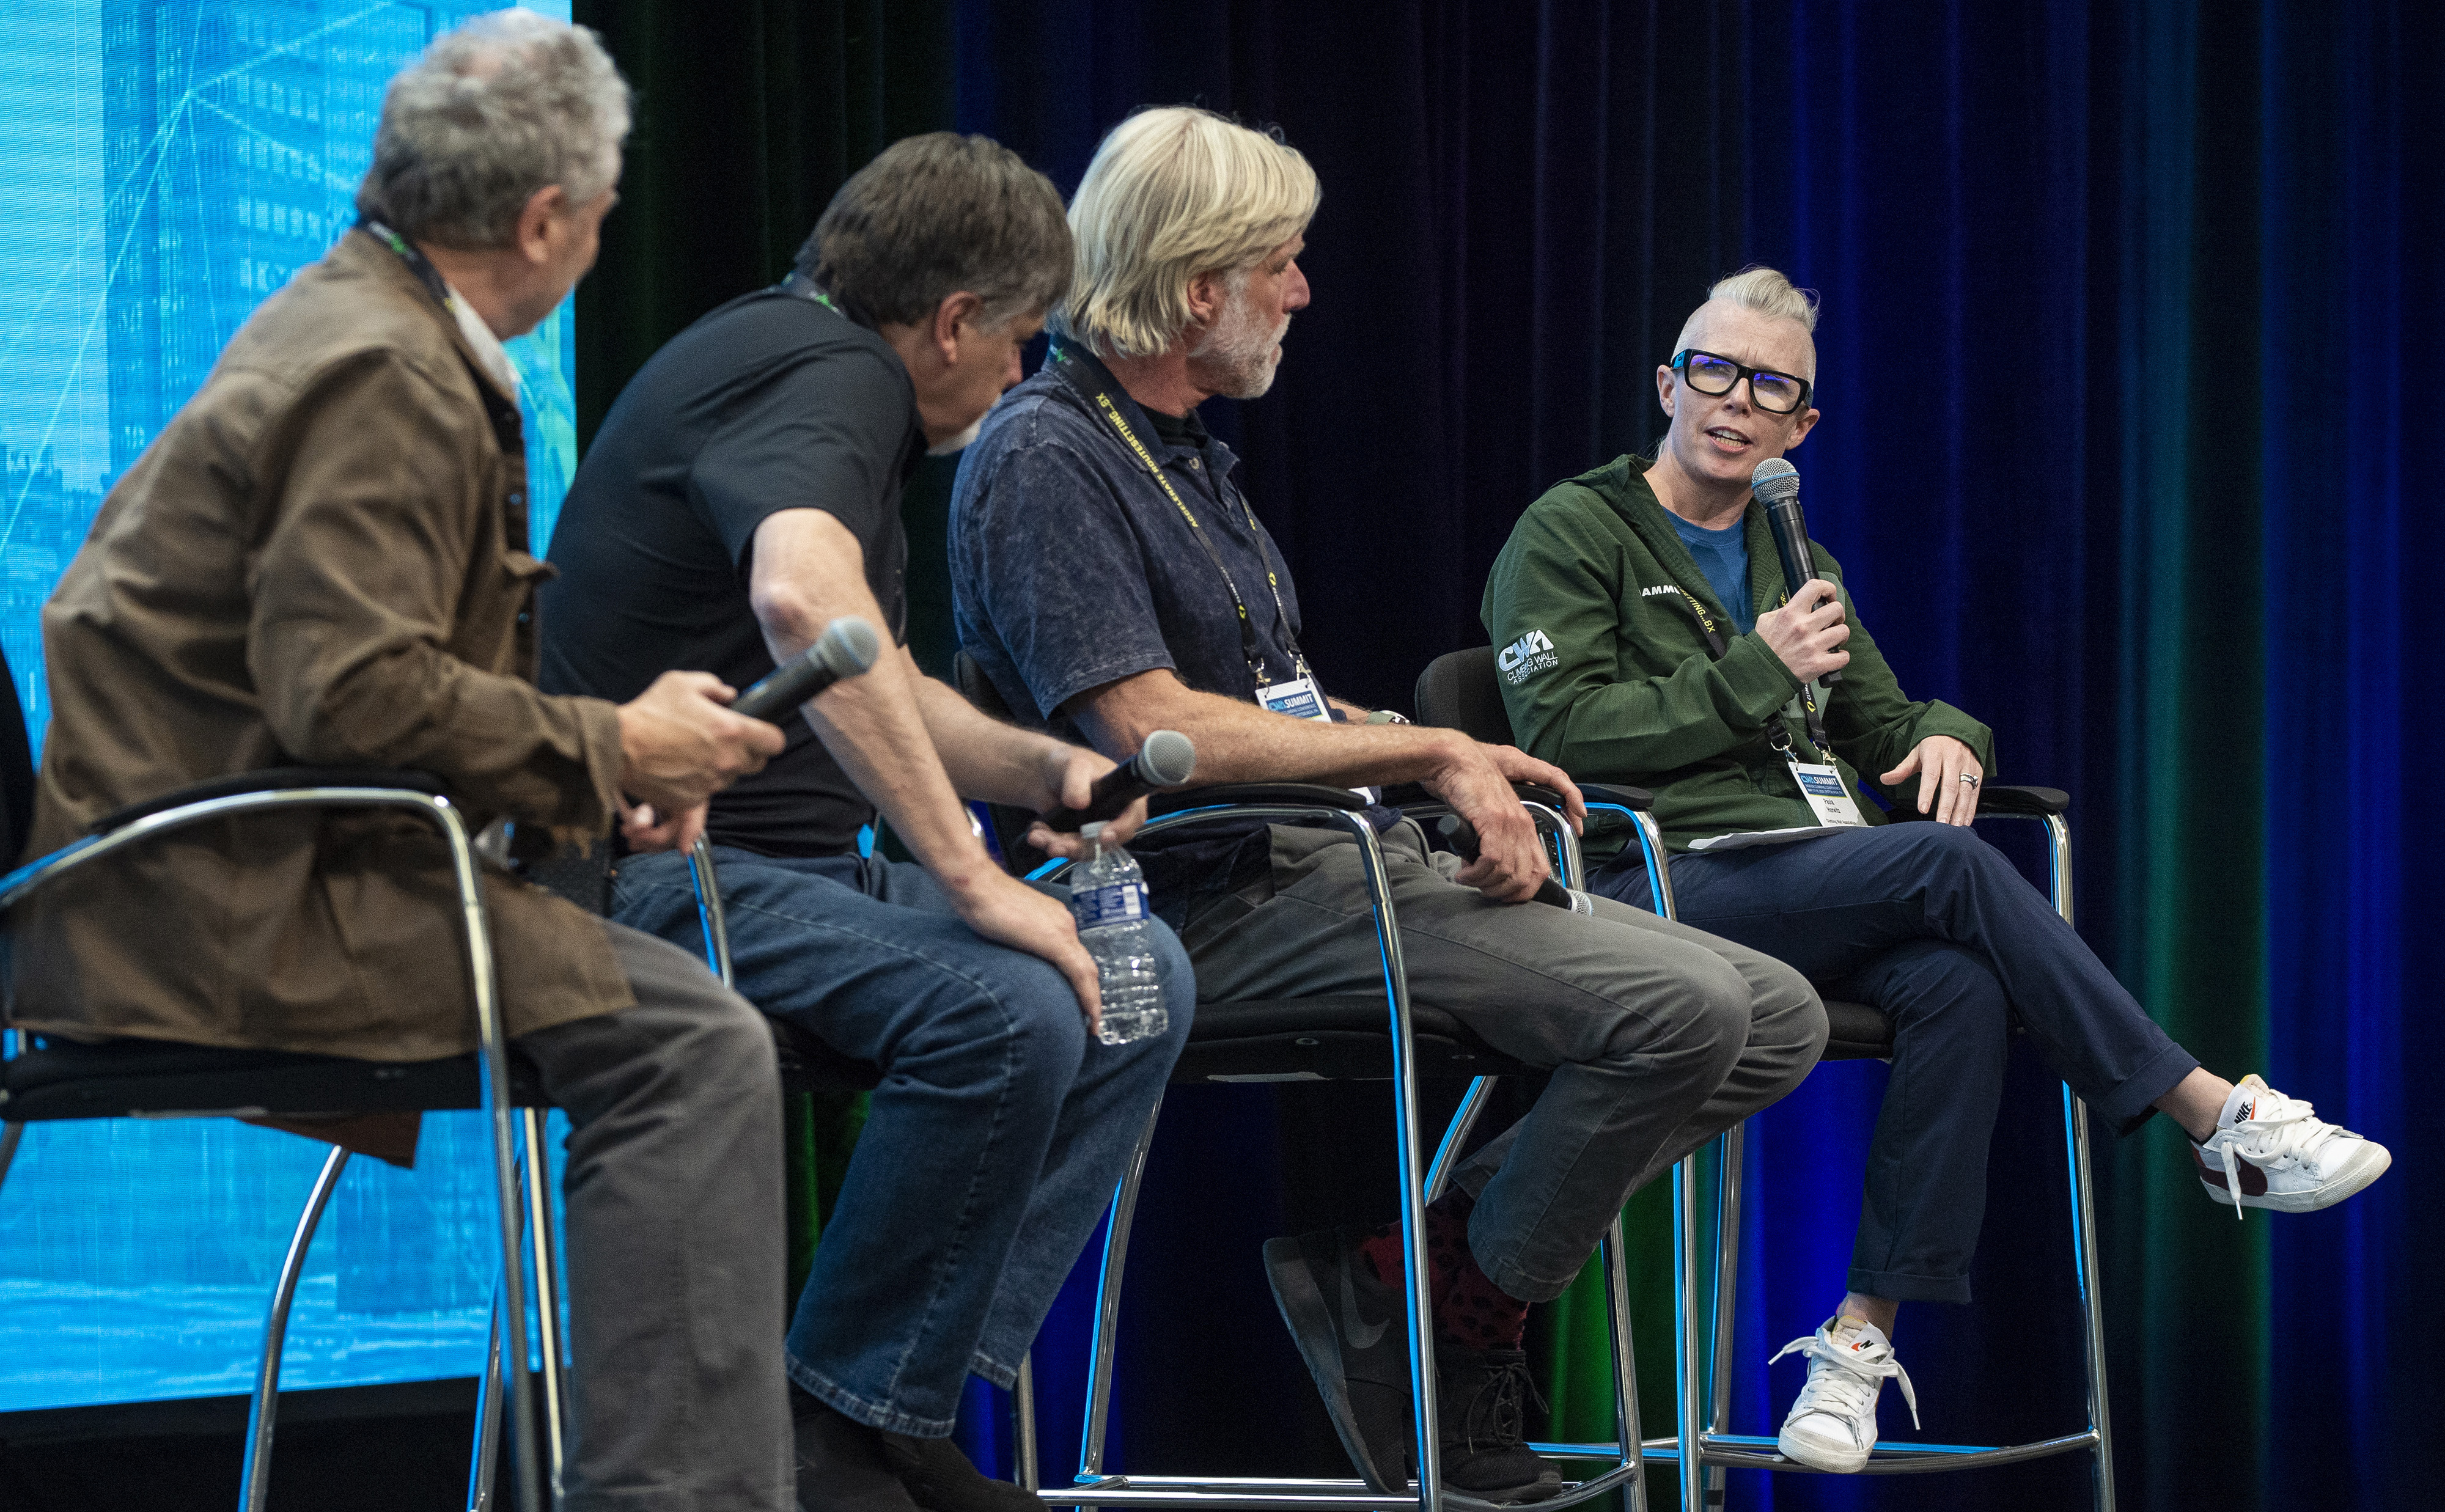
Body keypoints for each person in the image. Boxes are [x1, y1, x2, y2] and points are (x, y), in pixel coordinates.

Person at [947, 107, 1824, 1506]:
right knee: (1688, 1012)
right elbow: (1150, 724)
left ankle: (1414, 1286)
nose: (1300, 293)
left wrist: (1427, 743)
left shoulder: (1190, 454)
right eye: (1280, 265)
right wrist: (1427, 757)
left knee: (1774, 1013)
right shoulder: (1047, 455)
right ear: (1194, 288)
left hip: (1330, 864)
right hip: (1190, 895)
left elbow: (1279, 699)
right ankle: (1453, 1334)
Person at [13, 14, 800, 1508]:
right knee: (695, 1049)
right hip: (228, 899)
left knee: (666, 1013)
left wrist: (591, 773)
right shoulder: (385, 366)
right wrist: (614, 738)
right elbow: (350, 691)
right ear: (544, 219)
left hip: (229, 865)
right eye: (604, 203)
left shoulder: (355, 316)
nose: (605, 226)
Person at [1480, 265, 2393, 1473]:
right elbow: (1555, 741)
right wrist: (1753, 672)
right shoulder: (1572, 529)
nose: (1733, 400)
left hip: (1797, 876)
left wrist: (1943, 740)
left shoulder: (1786, 548)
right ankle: (2209, 1113)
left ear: (1798, 427)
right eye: (1711, 370)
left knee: (1958, 982)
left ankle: (1854, 1345)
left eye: (1769, 387)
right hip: (1642, 881)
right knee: (1943, 872)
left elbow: (1879, 718)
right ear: (1666, 382)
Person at [539, 133, 1193, 1512]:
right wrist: (967, 872)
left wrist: (1047, 777)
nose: (1018, 377)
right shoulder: (822, 367)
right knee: (1007, 1006)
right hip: (658, 880)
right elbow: (802, 601)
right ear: (952, 321)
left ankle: (881, 1393)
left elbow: (865, 670)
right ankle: (847, 1424)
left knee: (1135, 976)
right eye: (1016, 342)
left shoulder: (811, 378)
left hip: (793, 877)